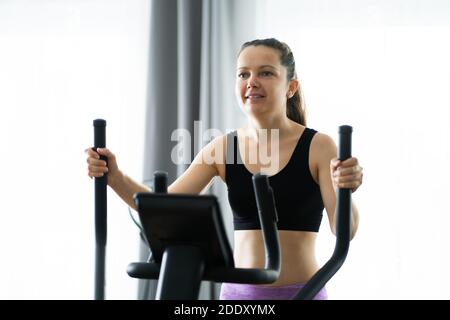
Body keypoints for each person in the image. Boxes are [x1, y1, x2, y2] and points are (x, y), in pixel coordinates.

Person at [85, 38, 363, 300]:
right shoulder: (224, 147)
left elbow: (345, 230)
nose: (251, 82)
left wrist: (345, 188)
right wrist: (115, 177)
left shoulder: (319, 146)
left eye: (265, 73)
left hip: (302, 292)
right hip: (235, 297)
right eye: (243, 74)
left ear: (291, 87)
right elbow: (164, 206)